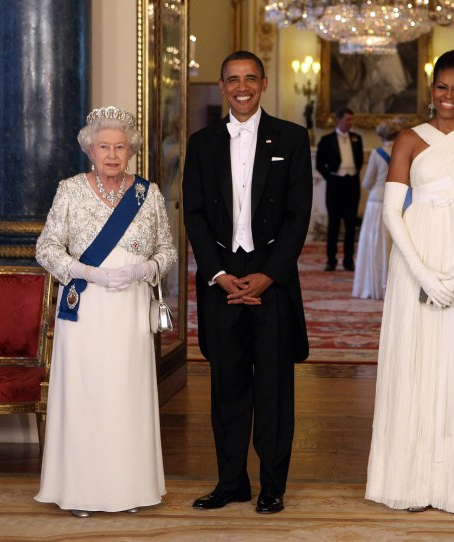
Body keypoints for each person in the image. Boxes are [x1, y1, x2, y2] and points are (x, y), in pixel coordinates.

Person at [365, 49, 454, 514]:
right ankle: (406, 479)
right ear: (432, 89)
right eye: (442, 87)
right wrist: (425, 274)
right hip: (415, 258)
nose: (449, 96)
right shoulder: (409, 139)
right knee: (415, 359)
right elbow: (390, 212)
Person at [183, 51, 312, 515]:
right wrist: (219, 275)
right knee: (227, 388)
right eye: (233, 79)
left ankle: (272, 486)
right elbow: (193, 213)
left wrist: (268, 275)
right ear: (221, 86)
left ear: (263, 83)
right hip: (221, 280)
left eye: (250, 79)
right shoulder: (201, 143)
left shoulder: (293, 139)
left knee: (275, 389)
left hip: (272, 280)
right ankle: (231, 482)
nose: (242, 87)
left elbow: (300, 215)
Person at [35, 106, 177, 517]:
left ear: (130, 150)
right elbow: (46, 248)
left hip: (129, 308)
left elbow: (166, 250)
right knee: (86, 396)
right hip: (86, 308)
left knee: (125, 396)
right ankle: (82, 491)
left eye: (120, 147)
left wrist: (146, 268)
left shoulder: (146, 194)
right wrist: (83, 271)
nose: (112, 154)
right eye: (104, 147)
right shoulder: (70, 189)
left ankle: (130, 489)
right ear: (90, 150)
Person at [351, 118, 407, 300]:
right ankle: (394, 284)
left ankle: (374, 285)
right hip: (398, 199)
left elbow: (367, 181)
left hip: (377, 200)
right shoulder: (404, 152)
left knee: (375, 243)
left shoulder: (377, 153)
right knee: (395, 243)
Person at [316, 107, 364, 271]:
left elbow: (360, 160)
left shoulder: (357, 138)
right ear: (338, 120)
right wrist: (332, 177)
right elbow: (319, 165)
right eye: (348, 120)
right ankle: (331, 260)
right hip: (335, 186)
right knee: (334, 225)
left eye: (352, 120)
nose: (351, 123)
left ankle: (348, 261)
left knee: (350, 225)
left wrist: (352, 173)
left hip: (352, 185)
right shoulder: (327, 140)